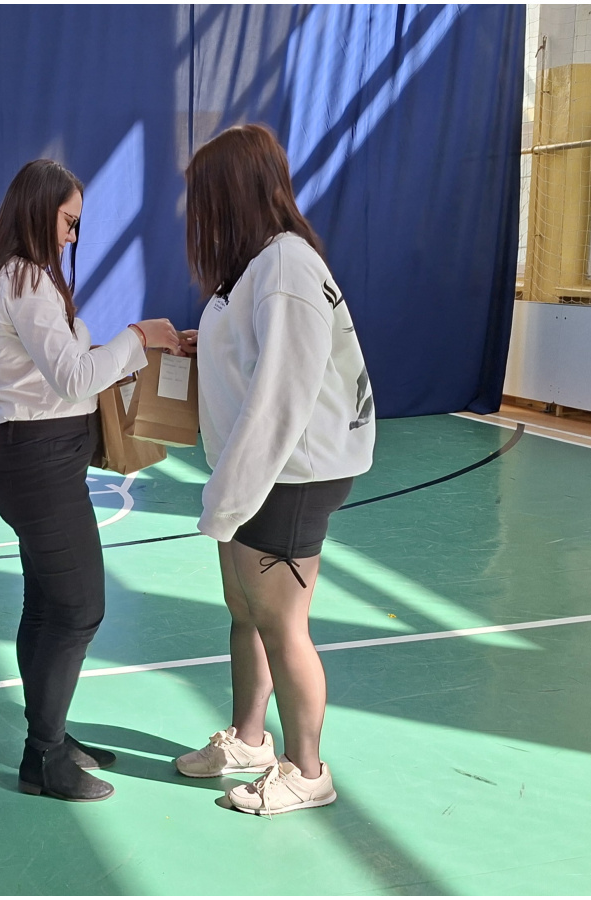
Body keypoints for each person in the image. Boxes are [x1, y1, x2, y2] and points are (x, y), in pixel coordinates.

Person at [173, 124, 376, 815]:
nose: (196, 212)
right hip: (260, 468)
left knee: (281, 624)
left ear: (231, 192)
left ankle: (308, 770)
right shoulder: (257, 265)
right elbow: (259, 358)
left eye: (203, 196)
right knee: (246, 610)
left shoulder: (286, 267)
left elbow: (282, 397)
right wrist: (210, 346)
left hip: (290, 472)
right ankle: (250, 740)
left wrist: (226, 498)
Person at [0, 159, 181, 803]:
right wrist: (137, 336)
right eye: (68, 221)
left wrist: (129, 351)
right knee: (81, 609)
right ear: (39, 211)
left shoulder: (7, 275)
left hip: (33, 461)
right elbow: (73, 378)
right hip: (41, 465)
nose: (72, 236)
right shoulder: (26, 279)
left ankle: (50, 738)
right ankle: (43, 757)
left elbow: (66, 369)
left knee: (46, 607)